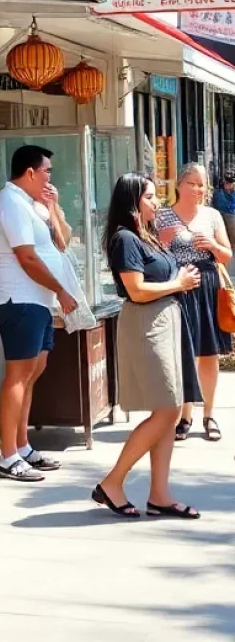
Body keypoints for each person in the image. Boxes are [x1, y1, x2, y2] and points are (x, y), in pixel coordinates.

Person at [96, 173, 200, 519]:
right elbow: (137, 290)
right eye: (151, 197)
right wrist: (178, 282)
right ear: (134, 202)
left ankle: (159, 494)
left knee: (169, 410)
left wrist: (178, 279)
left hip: (165, 320)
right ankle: (112, 481)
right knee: (168, 409)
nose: (157, 202)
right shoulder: (125, 238)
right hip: (146, 324)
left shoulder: (148, 235)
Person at [0, 145, 77, 482]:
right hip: (17, 299)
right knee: (18, 374)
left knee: (35, 368)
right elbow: (26, 258)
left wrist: (53, 207)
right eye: (47, 171)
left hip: (37, 301)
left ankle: (22, 444)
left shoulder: (33, 205)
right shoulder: (10, 203)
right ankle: (7, 454)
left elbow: (62, 242)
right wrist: (60, 289)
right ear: (30, 173)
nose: (50, 177)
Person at [157, 163, 233, 442]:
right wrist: (163, 243)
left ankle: (209, 414)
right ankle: (185, 415)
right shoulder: (163, 215)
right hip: (177, 286)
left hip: (207, 286)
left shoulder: (212, 215)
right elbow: (153, 253)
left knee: (208, 354)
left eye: (202, 185)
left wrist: (212, 246)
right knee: (181, 353)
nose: (198, 189)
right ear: (179, 185)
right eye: (193, 183)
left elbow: (226, 255)